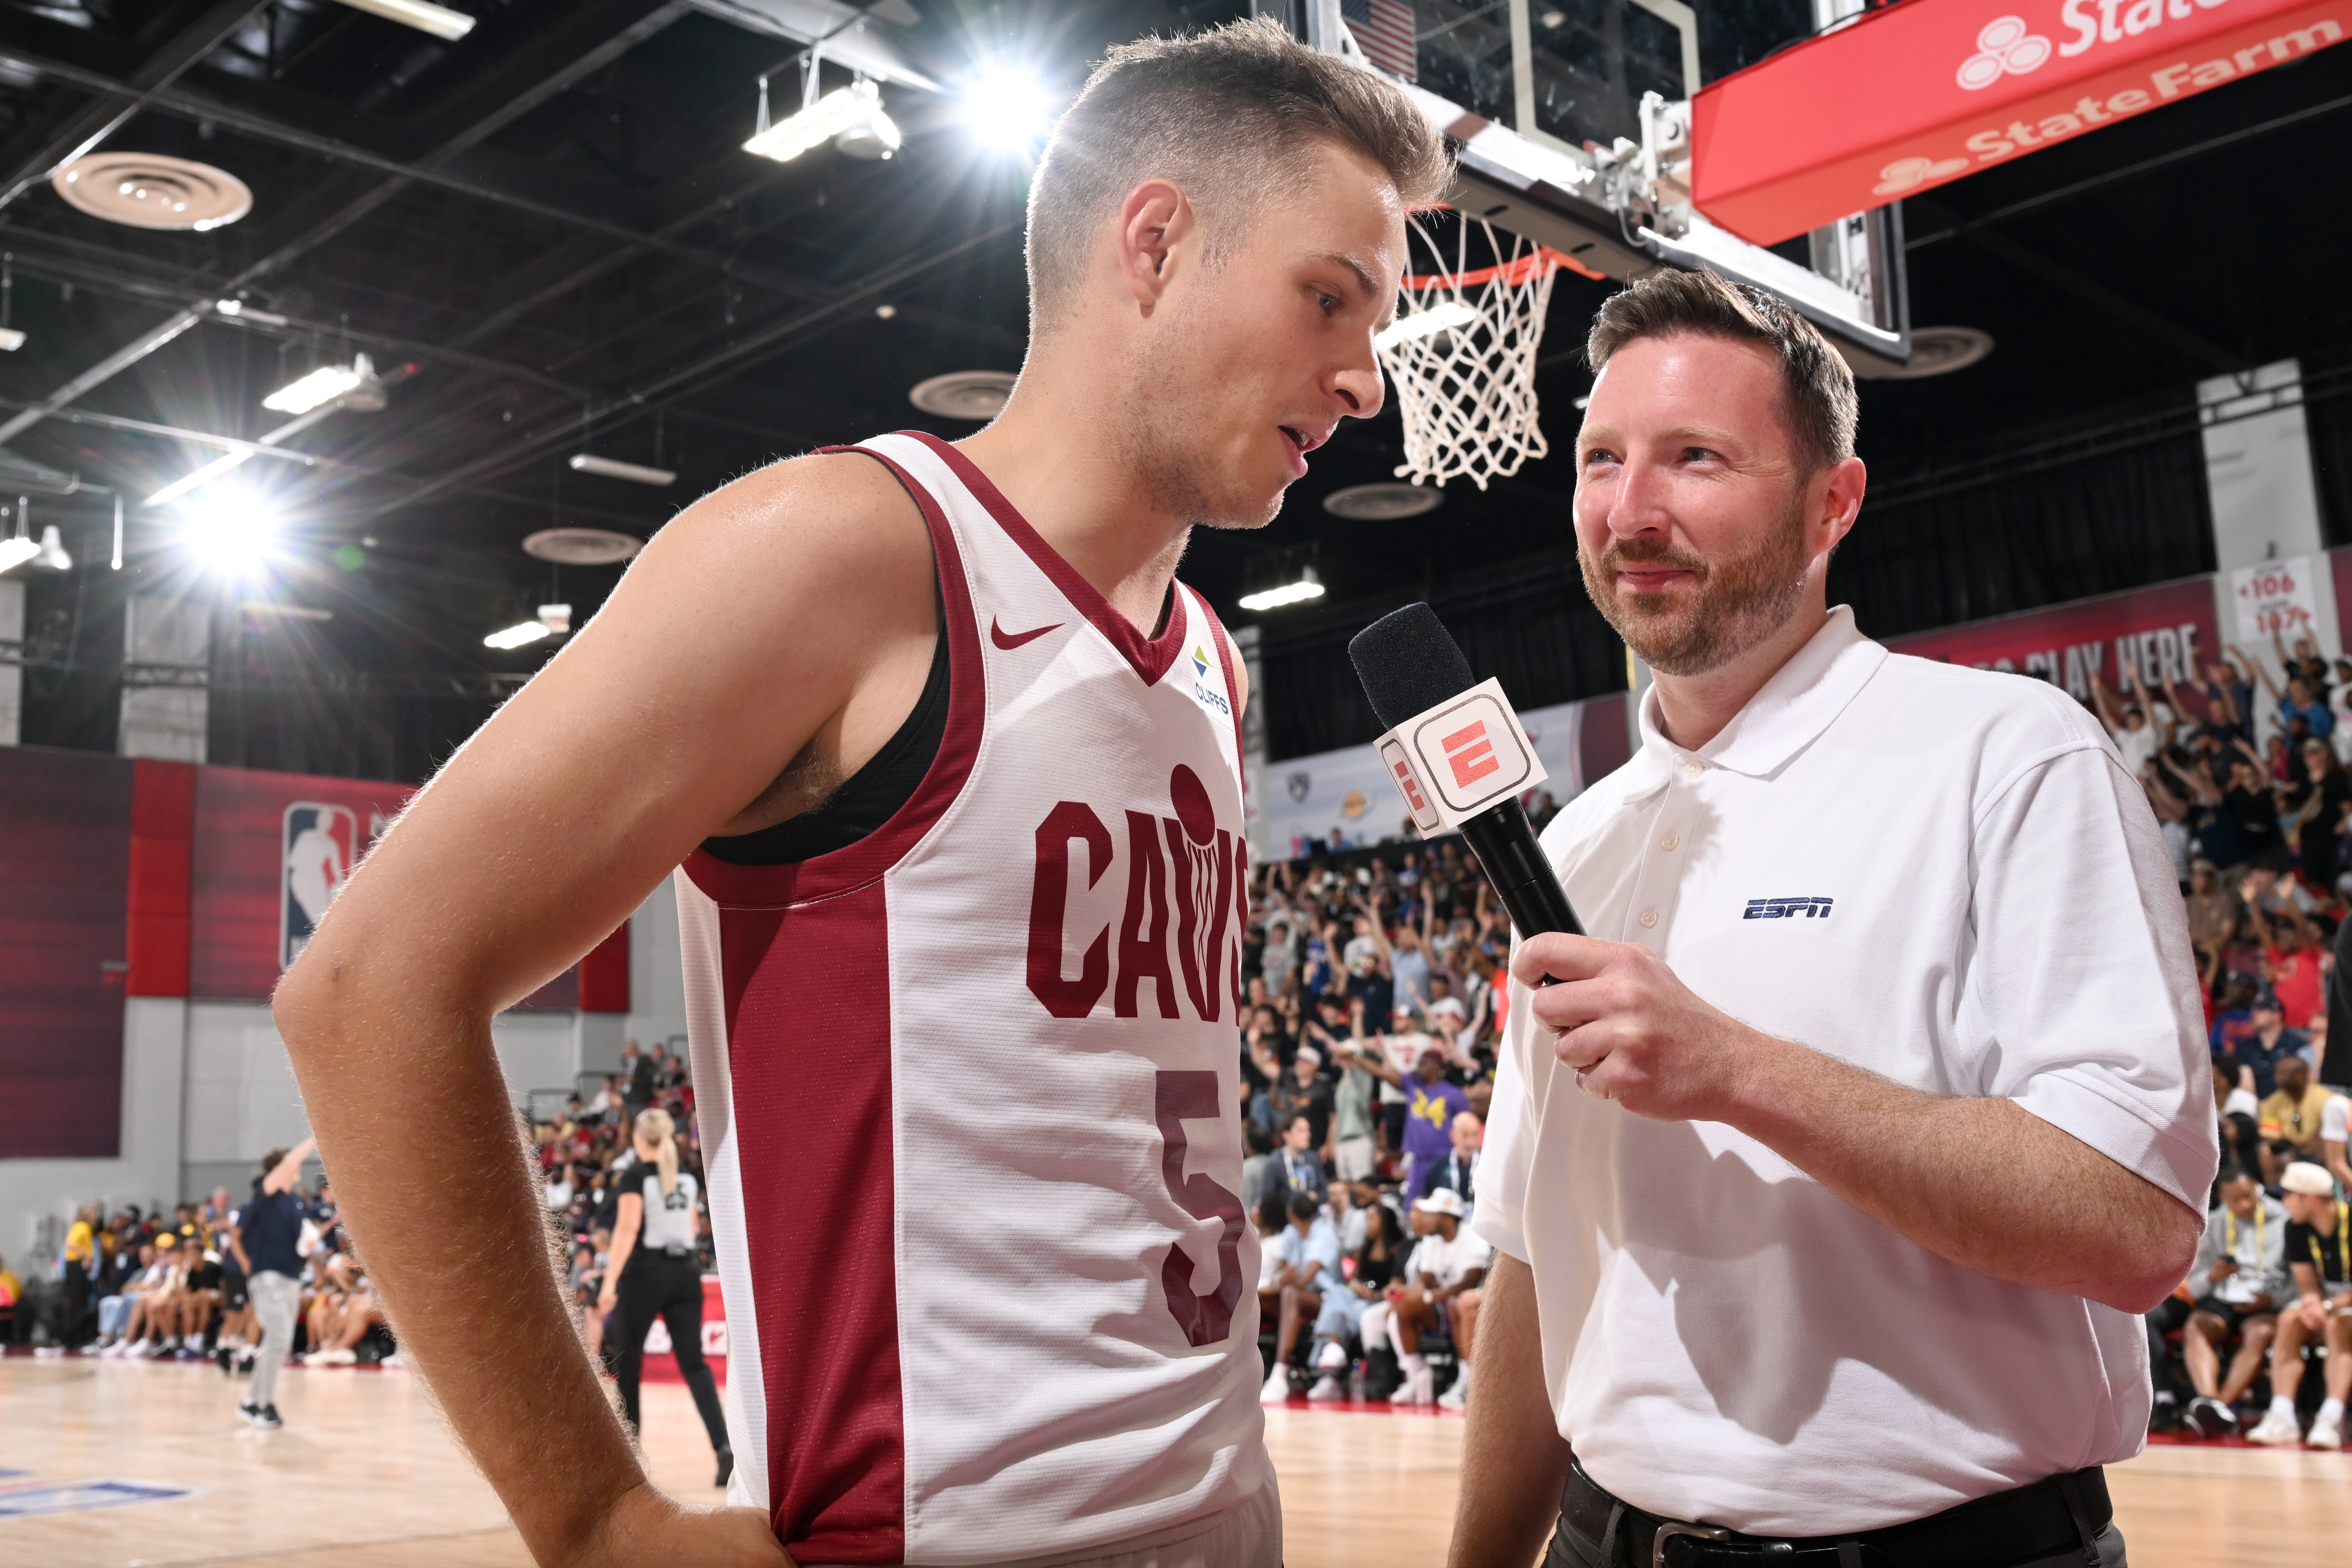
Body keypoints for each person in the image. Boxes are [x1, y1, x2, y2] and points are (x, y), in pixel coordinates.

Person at [269, 21, 1446, 1564]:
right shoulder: (850, 549)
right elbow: (366, 987)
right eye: (1329, 300)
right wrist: (595, 1512)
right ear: (1153, 242)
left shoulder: (1210, 666)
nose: (1363, 380)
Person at [1456, 269, 2211, 1568]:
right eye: (1601, 458)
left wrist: (1736, 1068)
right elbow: (1535, 1252)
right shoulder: (1573, 842)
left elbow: (2135, 1222)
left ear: (1832, 503)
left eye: (1695, 457)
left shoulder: (2006, 757)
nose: (1631, 509)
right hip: (1603, 1537)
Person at [598, 1108, 732, 1485]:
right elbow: (691, 1225)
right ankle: (724, 1449)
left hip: (645, 1273)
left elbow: (626, 1230)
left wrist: (610, 1282)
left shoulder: (636, 1176)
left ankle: (630, 1459)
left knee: (630, 1364)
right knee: (695, 1365)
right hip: (684, 1275)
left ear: (640, 1138)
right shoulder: (687, 1177)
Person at [2246, 1163, 2351, 1448]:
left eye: (2289, 1195)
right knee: (2290, 1319)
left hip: (2342, 1307)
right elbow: (2306, 1282)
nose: (2284, 1202)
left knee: (2341, 1326)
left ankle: (2332, 1417)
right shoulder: (2295, 1228)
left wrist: (2326, 1307)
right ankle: (2283, 1416)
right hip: (2328, 1302)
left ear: (2310, 1199)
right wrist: (2312, 1304)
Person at [1360, 1189, 1488, 1407]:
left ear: (1447, 1217)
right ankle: (1415, 1374)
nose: (1425, 1219)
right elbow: (1425, 1279)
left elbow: (1468, 1282)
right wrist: (1408, 1296)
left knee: (1455, 1302)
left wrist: (1429, 1297)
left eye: (1431, 1214)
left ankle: (1466, 1379)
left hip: (1473, 1309)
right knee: (1404, 1309)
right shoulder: (1431, 1242)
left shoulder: (1472, 1237)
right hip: (1441, 1306)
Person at [236, 1136, 315, 1431]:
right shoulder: (266, 1193)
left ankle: (249, 1401)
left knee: (276, 1343)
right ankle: (265, 1404)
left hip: (292, 1277)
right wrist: (315, 1137)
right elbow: (290, 1162)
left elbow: (301, 1242)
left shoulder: (294, 1202)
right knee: (280, 1338)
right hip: (267, 1276)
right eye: (291, 1164)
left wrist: (309, 1243)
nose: (297, 1168)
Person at [1304, 1198, 1404, 1401]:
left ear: (1385, 1221)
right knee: (1338, 1293)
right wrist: (1356, 1286)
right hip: (1359, 1299)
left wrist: (1375, 1295)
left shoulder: (1398, 1250)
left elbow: (1397, 1285)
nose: (1368, 1224)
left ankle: (1331, 1369)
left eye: (1372, 1219)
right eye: (1367, 1219)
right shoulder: (1363, 1248)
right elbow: (1355, 1278)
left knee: (1344, 1312)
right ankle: (1334, 1350)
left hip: (1380, 1303)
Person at [1258, 1191, 1342, 1403]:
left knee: (1290, 1294)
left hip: (1327, 1300)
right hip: (1295, 1298)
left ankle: (1280, 1373)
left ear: (1291, 1213)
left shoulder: (1324, 1236)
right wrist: (1281, 1280)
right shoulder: (1290, 1233)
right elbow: (1280, 1272)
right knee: (1259, 1298)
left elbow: (1304, 1282)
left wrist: (1282, 1281)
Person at [2261, 1054, 2334, 1156]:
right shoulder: (2272, 1102)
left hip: (2319, 1152)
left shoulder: (2326, 1099)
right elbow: (2269, 1137)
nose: (2278, 1078)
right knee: (2264, 1151)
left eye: (2284, 1073)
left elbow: (2327, 1135)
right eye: (2277, 1073)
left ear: (2302, 1075)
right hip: (2287, 1152)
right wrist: (2295, 1146)